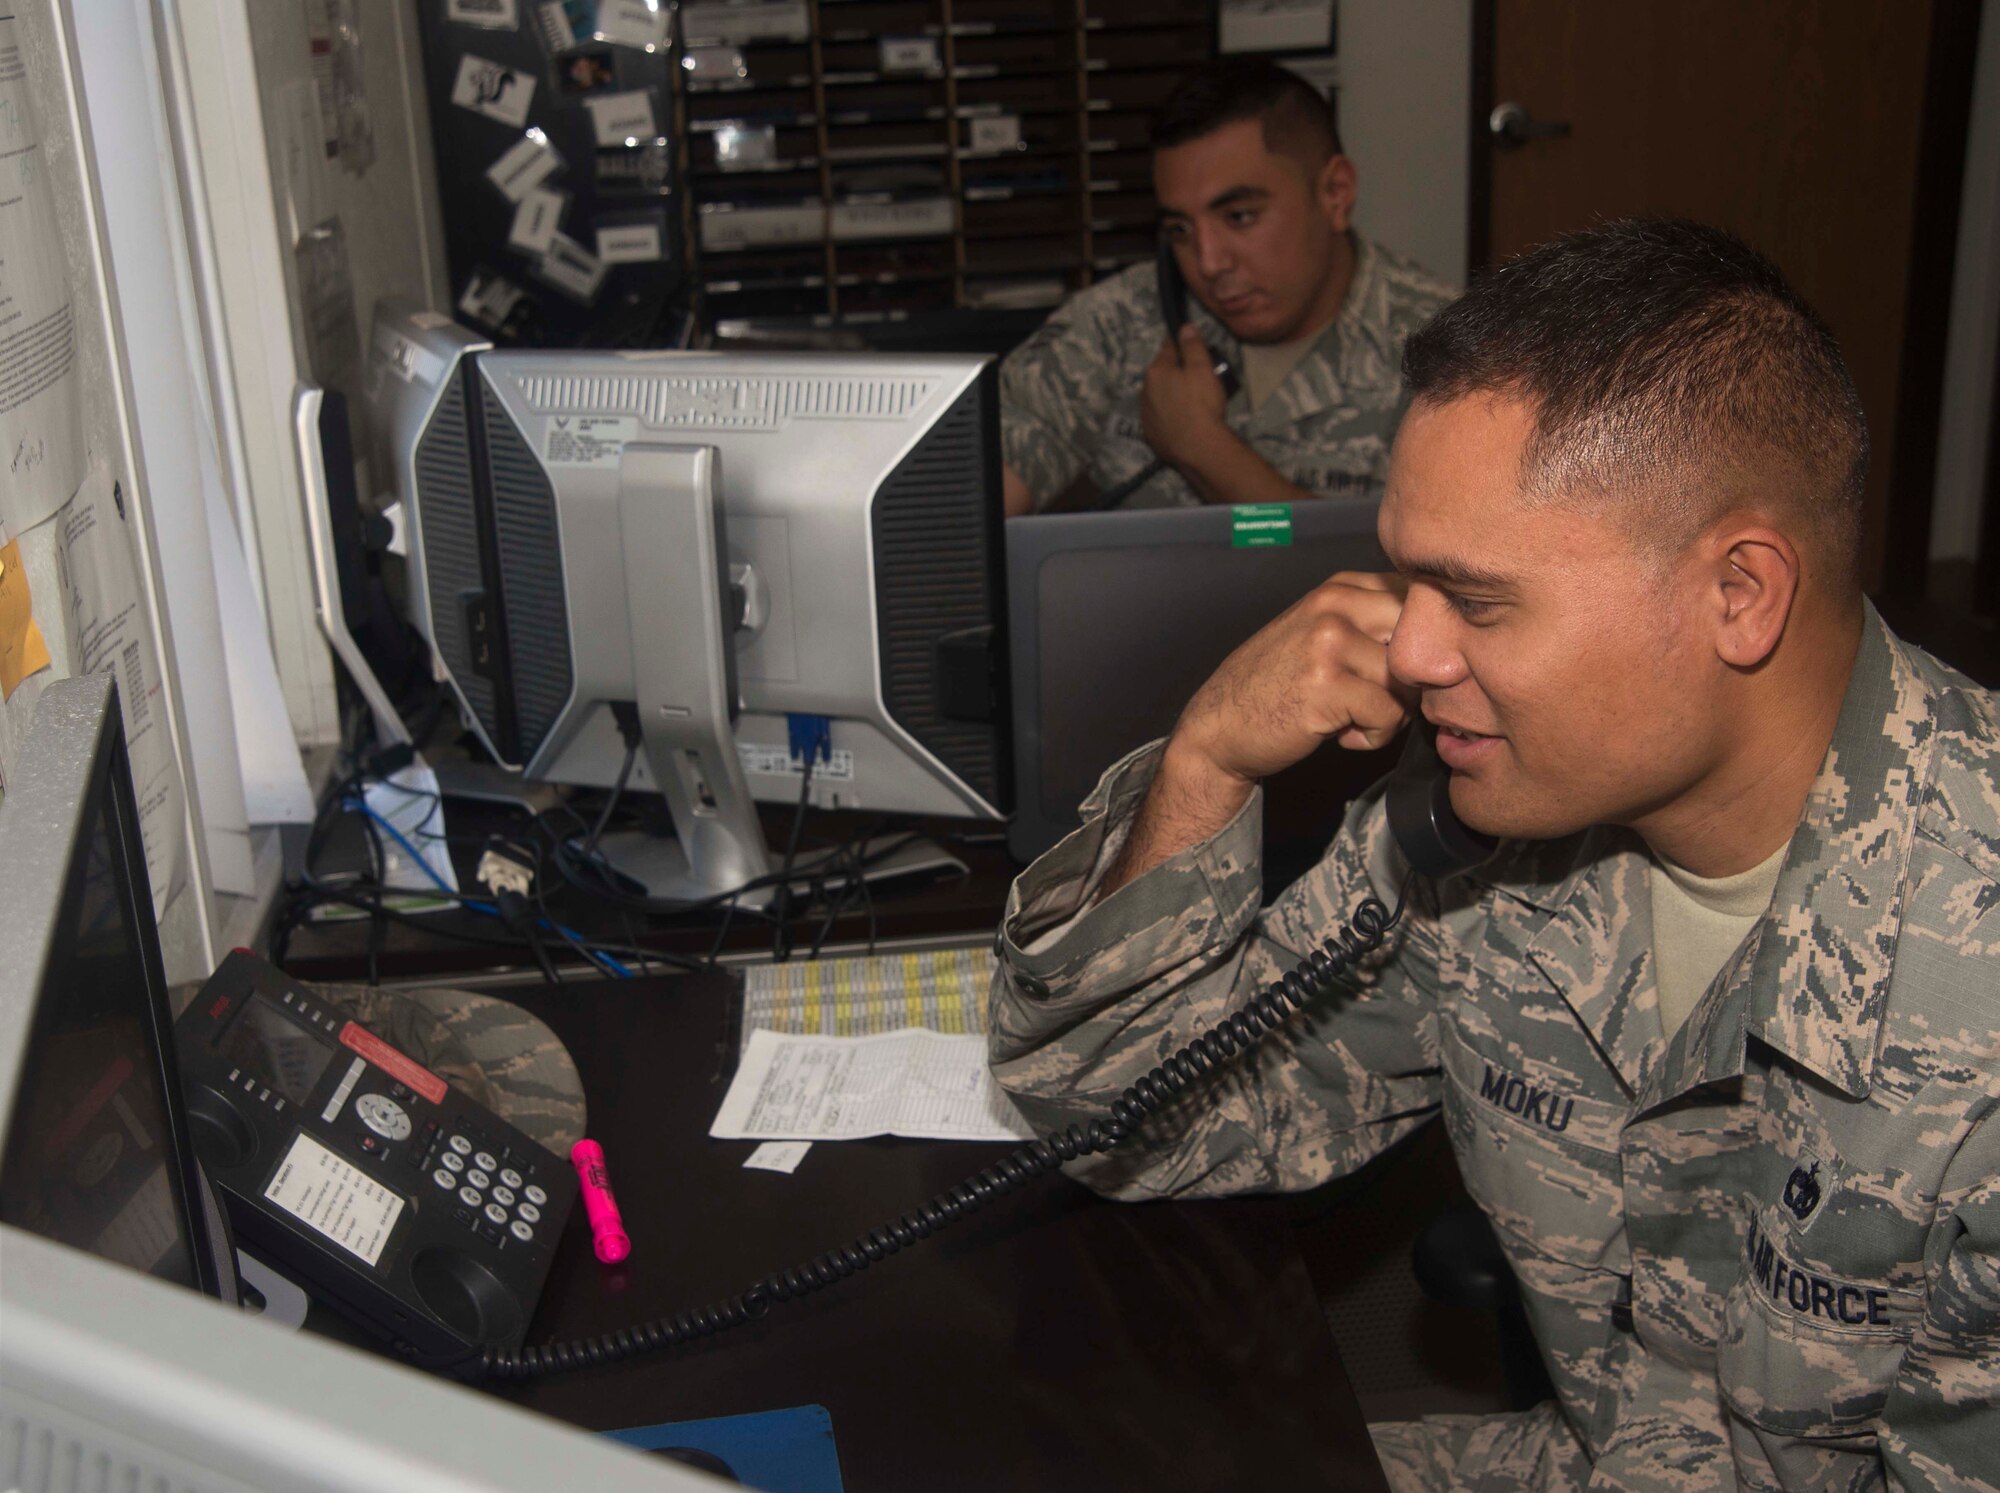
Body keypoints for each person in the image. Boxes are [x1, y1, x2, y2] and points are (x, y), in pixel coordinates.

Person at [987, 218, 1998, 1491]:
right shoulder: (1485, 830)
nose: (1405, 653)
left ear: (1736, 594)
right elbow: (1119, 1119)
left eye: (1472, 597)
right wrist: (1202, 767)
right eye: (1404, 580)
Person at [999, 60, 1452, 517]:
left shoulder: (1450, 354)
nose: (1209, 262)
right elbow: (970, 505)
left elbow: (1427, 578)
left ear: (1335, 193)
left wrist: (1201, 446)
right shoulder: (1120, 322)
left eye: (1239, 217)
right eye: (1180, 230)